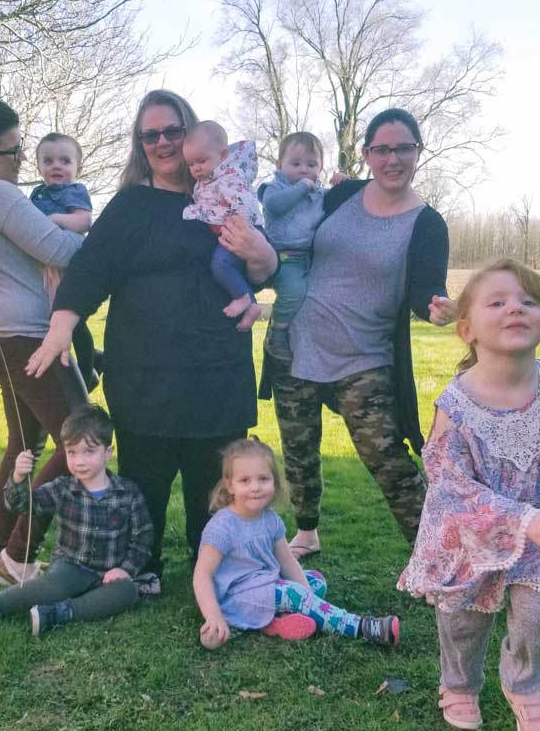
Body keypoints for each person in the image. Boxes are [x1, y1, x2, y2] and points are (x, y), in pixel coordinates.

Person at [26, 90, 278, 598]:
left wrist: (262, 253)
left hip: (215, 370)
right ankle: (142, 565)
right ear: (139, 144)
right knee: (145, 483)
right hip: (144, 374)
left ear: (192, 133)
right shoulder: (130, 206)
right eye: (150, 135)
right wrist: (61, 326)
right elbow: (91, 268)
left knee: (215, 483)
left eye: (172, 131)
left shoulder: (225, 195)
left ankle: (216, 566)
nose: (162, 143)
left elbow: (263, 272)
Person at [398, 259, 540, 731]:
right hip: (468, 538)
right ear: (466, 330)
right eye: (497, 302)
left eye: (529, 302)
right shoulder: (456, 404)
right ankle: (459, 684)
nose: (515, 309)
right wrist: (522, 519)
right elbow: (449, 483)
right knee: (463, 621)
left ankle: (524, 684)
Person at [260, 108, 457, 561]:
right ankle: (307, 531)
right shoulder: (342, 195)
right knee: (299, 448)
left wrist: (439, 307)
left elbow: (426, 289)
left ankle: (438, 556)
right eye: (382, 149)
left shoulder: (427, 223)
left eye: (403, 148)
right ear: (367, 154)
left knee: (387, 459)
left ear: (418, 152)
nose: (393, 159)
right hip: (295, 343)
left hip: (364, 357)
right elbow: (289, 221)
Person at [0, 100, 89, 587]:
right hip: (27, 339)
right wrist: (101, 233)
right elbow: (61, 251)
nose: (23, 158)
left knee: (23, 445)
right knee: (81, 440)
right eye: (14, 150)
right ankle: (15, 554)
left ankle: (5, 554)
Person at [0, 404, 153, 637]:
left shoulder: (128, 493)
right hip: (70, 569)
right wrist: (18, 477)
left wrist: (125, 569)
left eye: (88, 452)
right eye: (71, 452)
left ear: (108, 452)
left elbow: (143, 538)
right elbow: (22, 506)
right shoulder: (62, 488)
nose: (79, 461)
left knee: (128, 592)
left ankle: (59, 613)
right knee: (53, 585)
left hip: (109, 574)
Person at [192, 438, 400, 650]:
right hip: (237, 598)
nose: (255, 487)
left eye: (263, 479)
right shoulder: (222, 527)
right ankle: (363, 627)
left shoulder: (270, 519)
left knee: (316, 581)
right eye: (245, 480)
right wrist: (213, 616)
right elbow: (202, 574)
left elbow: (287, 561)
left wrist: (306, 596)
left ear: (274, 481)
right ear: (230, 485)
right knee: (294, 594)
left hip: (266, 584)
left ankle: (274, 623)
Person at [29, 132, 100, 392]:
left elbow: (84, 221)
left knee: (73, 322)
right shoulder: (37, 194)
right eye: (48, 161)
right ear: (39, 166)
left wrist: (55, 220)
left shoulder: (75, 191)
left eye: (65, 161)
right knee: (49, 320)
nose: (56, 166)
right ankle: (67, 371)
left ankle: (87, 370)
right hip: (46, 268)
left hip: (69, 268)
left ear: (77, 167)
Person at [182, 121, 264, 331]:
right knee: (227, 266)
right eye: (190, 164)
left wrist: (240, 229)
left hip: (243, 231)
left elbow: (244, 204)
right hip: (233, 231)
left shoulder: (229, 177)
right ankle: (252, 306)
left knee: (221, 265)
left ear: (223, 154)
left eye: (202, 161)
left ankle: (242, 297)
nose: (196, 168)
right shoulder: (207, 180)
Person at [258, 132, 330, 360]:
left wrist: (342, 183)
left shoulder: (318, 193)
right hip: (282, 257)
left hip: (309, 258)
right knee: (294, 291)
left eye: (311, 165)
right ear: (280, 164)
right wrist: (302, 188)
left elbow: (338, 201)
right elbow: (274, 206)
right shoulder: (275, 188)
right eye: (296, 164)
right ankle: (277, 332)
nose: (304, 170)